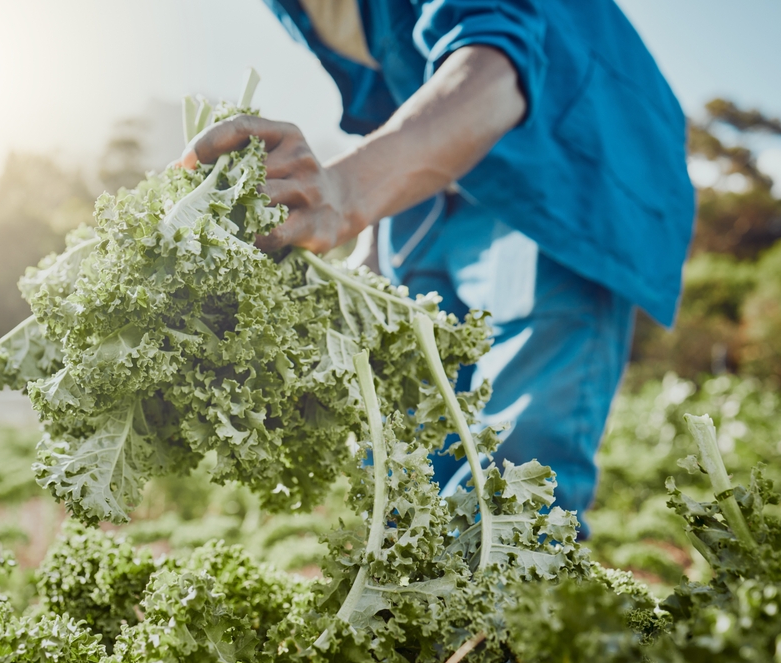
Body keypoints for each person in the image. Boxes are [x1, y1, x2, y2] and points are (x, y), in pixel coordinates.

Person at [178, 0, 694, 533]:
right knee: (403, 453)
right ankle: (401, 604)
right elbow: (391, 101)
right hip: (422, 193)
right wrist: (372, 243)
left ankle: (504, 609)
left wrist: (346, 191)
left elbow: (496, 64)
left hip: (558, 166)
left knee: (516, 465)